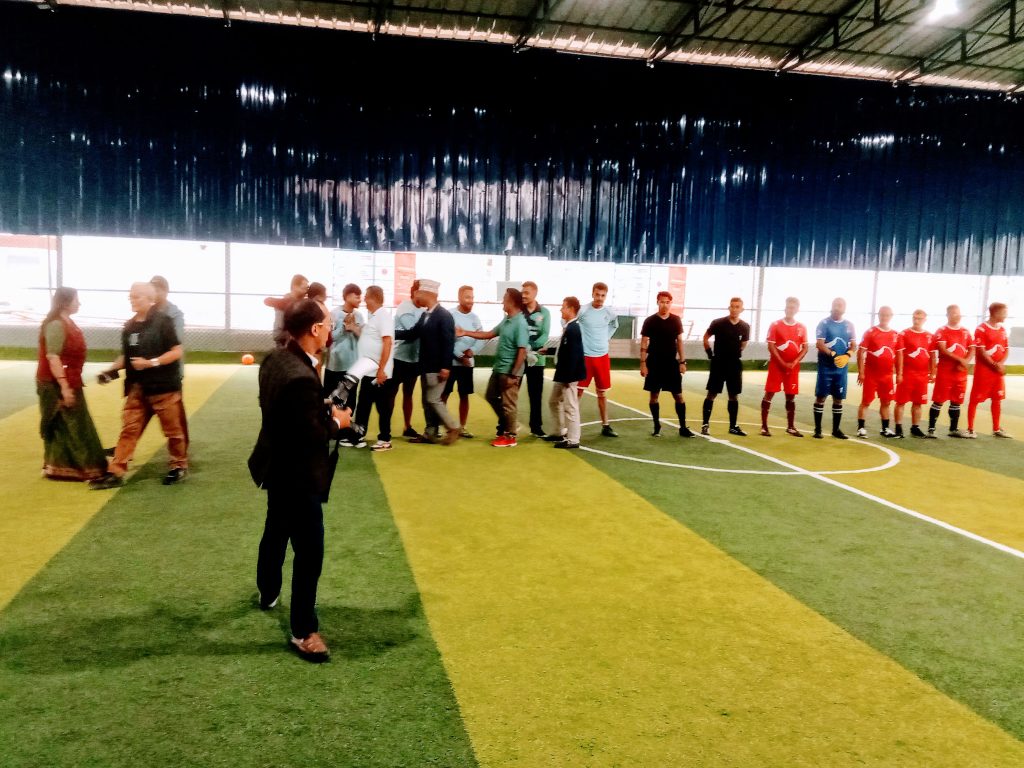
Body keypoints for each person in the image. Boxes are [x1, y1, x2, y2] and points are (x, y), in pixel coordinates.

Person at [247, 298, 351, 661]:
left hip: (275, 465)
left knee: (275, 531)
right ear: (315, 329)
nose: (331, 329)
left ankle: (267, 591)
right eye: (328, 323)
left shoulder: (276, 359)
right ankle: (304, 631)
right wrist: (337, 421)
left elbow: (285, 412)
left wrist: (320, 408)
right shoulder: (299, 376)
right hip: (298, 474)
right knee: (310, 552)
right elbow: (310, 434)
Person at [90, 282, 187, 489]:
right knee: (129, 429)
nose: (132, 300)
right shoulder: (129, 326)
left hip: (164, 388)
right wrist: (110, 371)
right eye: (131, 296)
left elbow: (176, 351)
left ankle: (178, 466)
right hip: (137, 389)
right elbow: (126, 357)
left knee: (173, 432)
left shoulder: (164, 322)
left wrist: (151, 363)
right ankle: (116, 471)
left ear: (150, 299)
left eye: (137, 297)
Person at [36, 287, 107, 481]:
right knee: (65, 424)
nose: (79, 303)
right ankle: (66, 468)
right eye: (76, 300)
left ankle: (73, 466)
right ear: (66, 303)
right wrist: (64, 387)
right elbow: (53, 357)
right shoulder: (56, 325)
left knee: (77, 423)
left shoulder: (68, 323)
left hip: (71, 379)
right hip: (55, 383)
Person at [458, 288, 529, 448]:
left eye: (504, 299)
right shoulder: (507, 320)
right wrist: (465, 332)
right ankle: (509, 424)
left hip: (509, 372)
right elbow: (489, 334)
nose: (502, 301)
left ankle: (510, 436)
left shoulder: (520, 323)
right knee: (490, 396)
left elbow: (522, 351)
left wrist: (514, 375)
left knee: (508, 404)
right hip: (498, 369)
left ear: (512, 302)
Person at [393, 279, 461, 445]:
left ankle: (453, 426)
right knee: (426, 401)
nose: (416, 296)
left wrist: (446, 367)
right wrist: (387, 332)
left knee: (433, 399)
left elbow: (448, 342)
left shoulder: (444, 316)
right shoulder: (426, 314)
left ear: (427, 294)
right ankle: (430, 433)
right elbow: (412, 333)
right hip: (425, 366)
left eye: (418, 293)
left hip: (437, 367)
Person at [639, 291, 694, 438]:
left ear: (671, 303)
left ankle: (683, 427)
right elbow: (644, 343)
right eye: (662, 302)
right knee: (654, 396)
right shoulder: (650, 321)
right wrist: (643, 363)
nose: (665, 305)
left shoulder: (676, 320)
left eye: (667, 302)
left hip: (671, 363)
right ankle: (656, 425)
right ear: (657, 302)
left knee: (678, 396)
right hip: (654, 363)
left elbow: (679, 341)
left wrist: (682, 361)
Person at [351, 286, 398, 452]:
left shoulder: (383, 316)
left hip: (380, 373)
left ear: (372, 298)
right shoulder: (374, 317)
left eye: (366, 297)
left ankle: (385, 439)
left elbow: (387, 342)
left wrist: (381, 370)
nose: (364, 300)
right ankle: (358, 436)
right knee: (363, 405)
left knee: (383, 408)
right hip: (369, 371)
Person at [701, 297, 751, 436]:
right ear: (729, 308)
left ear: (742, 309)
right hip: (719, 363)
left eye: (737, 307)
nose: (734, 309)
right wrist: (710, 353)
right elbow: (705, 338)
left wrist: (734, 353)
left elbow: (743, 344)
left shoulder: (745, 326)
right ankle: (705, 424)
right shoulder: (718, 323)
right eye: (732, 306)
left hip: (734, 364)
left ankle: (733, 426)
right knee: (712, 393)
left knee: (733, 395)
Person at [761, 296, 808, 437]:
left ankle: (791, 427)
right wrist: (782, 362)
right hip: (777, 366)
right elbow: (771, 346)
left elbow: (805, 348)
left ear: (797, 310)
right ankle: (764, 426)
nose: (790, 310)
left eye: (793, 307)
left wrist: (794, 362)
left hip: (792, 368)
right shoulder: (775, 325)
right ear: (785, 308)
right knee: (770, 393)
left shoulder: (802, 327)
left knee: (790, 395)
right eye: (788, 307)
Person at [577, 282, 619, 437]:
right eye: (597, 294)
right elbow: (567, 321)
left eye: (603, 295)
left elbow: (614, 325)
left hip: (602, 357)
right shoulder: (583, 310)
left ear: (605, 296)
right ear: (592, 294)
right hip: (585, 356)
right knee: (578, 393)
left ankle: (605, 425)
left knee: (602, 393)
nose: (600, 298)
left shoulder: (609, 312)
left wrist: (606, 337)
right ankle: (570, 426)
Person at [151, 275, 188, 450]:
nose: (155, 293)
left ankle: (182, 448)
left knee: (176, 413)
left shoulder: (175, 314)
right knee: (137, 413)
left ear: (166, 291)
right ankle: (125, 447)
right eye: (152, 289)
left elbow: (176, 342)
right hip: (149, 372)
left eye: (158, 289)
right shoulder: (147, 311)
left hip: (171, 371)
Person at [813, 297, 857, 440]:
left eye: (841, 305)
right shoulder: (824, 323)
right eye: (836, 305)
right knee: (821, 397)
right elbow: (820, 344)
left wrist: (847, 355)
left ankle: (836, 430)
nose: (838, 307)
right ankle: (818, 430)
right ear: (832, 306)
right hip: (826, 367)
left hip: (841, 369)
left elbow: (853, 345)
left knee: (838, 399)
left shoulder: (849, 325)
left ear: (844, 308)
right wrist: (833, 354)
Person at [546, 297, 587, 449]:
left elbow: (574, 354)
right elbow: (564, 349)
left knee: (570, 406)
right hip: (564, 373)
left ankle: (573, 439)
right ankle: (558, 432)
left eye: (563, 307)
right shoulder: (569, 328)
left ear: (571, 309)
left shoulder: (573, 329)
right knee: (553, 401)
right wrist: (549, 351)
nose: (561, 310)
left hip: (569, 375)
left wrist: (568, 378)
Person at [967, 302, 1012, 439]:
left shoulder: (1002, 329)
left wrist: (1000, 364)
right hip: (984, 372)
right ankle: (970, 429)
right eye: (1004, 313)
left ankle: (996, 428)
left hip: (997, 373)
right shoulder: (981, 329)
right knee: (975, 400)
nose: (1006, 315)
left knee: (997, 399)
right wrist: (994, 364)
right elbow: (981, 351)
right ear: (996, 313)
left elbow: (1006, 349)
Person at [444, 285, 484, 438]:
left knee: (464, 395)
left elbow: (481, 338)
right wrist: (459, 356)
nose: (471, 300)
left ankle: (462, 427)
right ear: (459, 298)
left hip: (467, 365)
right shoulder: (450, 315)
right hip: (450, 363)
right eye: (467, 297)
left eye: (472, 297)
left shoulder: (475, 318)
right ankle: (443, 426)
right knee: (444, 395)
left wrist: (472, 352)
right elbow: (447, 339)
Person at [929, 304, 973, 438]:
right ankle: (931, 429)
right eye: (954, 313)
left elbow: (972, 348)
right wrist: (961, 360)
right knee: (939, 400)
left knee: (956, 401)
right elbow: (942, 350)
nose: (957, 315)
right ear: (947, 315)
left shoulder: (965, 331)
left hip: (960, 373)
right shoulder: (942, 331)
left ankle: (953, 429)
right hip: (945, 372)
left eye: (958, 313)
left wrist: (965, 361)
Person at [856, 306, 899, 438]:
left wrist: (899, 372)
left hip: (887, 376)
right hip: (871, 374)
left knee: (886, 402)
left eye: (887, 315)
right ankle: (861, 428)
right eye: (882, 315)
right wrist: (861, 372)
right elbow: (861, 352)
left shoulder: (895, 334)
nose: (884, 317)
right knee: (866, 401)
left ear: (891, 316)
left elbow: (898, 355)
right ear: (878, 315)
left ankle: (885, 429)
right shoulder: (870, 332)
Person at [894, 309, 937, 438]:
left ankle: (915, 427)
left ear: (925, 320)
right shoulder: (904, 334)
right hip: (907, 374)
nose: (916, 321)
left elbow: (932, 355)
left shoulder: (930, 336)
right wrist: (899, 373)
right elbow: (899, 355)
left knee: (918, 402)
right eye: (914, 318)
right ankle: (898, 427)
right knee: (901, 402)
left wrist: (933, 372)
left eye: (919, 318)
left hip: (922, 376)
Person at [392, 281, 425, 439]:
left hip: (414, 359)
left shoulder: (424, 310)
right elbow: (413, 332)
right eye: (423, 292)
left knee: (408, 393)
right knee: (391, 393)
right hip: (398, 358)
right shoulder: (405, 307)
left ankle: (407, 426)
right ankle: (385, 429)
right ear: (415, 292)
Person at [521, 281, 551, 438]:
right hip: (519, 358)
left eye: (526, 292)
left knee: (535, 394)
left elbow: (545, 335)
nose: (523, 295)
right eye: (522, 292)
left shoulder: (544, 312)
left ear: (535, 293)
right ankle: (507, 427)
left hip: (537, 360)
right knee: (511, 393)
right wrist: (524, 348)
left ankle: (536, 427)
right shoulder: (519, 310)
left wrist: (531, 348)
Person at [324, 283, 363, 399]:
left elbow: (363, 338)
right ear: (348, 296)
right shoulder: (333, 314)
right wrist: (343, 327)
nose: (360, 300)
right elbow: (329, 338)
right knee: (331, 400)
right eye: (357, 297)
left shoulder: (359, 316)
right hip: (335, 366)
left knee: (350, 402)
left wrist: (354, 328)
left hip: (352, 368)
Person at [264, 274, 309, 347]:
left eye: (307, 289)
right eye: (304, 288)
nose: (306, 291)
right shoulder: (283, 304)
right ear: (294, 287)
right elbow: (277, 334)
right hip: (285, 345)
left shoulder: (303, 303)